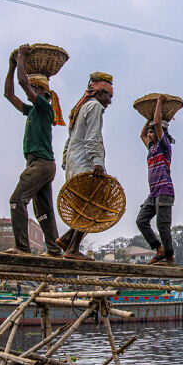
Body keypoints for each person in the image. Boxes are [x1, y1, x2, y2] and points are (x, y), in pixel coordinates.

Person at [3, 44, 65, 257]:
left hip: (41, 163)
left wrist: (20, 57)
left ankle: (22, 247)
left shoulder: (44, 108)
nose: (30, 90)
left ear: (41, 92)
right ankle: (54, 249)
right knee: (44, 212)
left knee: (16, 200)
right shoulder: (32, 111)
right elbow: (9, 94)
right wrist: (11, 67)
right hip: (39, 164)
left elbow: (22, 82)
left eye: (33, 88)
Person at [56, 72, 114, 260]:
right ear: (99, 93)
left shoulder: (81, 108)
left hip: (74, 163)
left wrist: (66, 162)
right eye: (109, 96)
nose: (109, 101)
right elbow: (92, 137)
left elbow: (70, 139)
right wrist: (98, 161)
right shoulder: (94, 106)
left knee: (84, 206)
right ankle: (72, 248)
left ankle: (67, 239)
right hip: (85, 163)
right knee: (94, 207)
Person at [136, 94, 177, 266]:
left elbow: (158, 124)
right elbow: (141, 135)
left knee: (163, 225)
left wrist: (159, 102)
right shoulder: (151, 148)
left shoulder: (163, 145)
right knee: (141, 221)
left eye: (152, 131)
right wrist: (148, 119)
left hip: (165, 191)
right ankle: (158, 248)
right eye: (149, 131)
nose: (149, 133)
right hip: (153, 193)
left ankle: (169, 256)